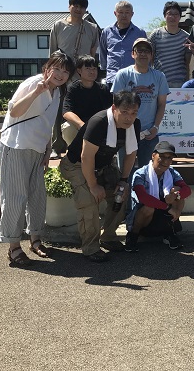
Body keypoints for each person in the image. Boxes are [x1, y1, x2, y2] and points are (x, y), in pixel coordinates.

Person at [0, 51, 75, 266]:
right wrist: (36, 92)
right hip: (17, 145)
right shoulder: (33, 83)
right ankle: (14, 247)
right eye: (56, 68)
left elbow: (46, 122)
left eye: (65, 71)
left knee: (37, 196)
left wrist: (48, 148)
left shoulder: (57, 91)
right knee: (15, 197)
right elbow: (14, 111)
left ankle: (36, 239)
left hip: (38, 148)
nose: (60, 74)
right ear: (47, 68)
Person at [60, 91, 141, 262]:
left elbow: (131, 153)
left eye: (134, 113)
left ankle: (108, 237)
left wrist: (123, 180)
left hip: (104, 165)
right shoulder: (99, 122)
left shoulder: (135, 125)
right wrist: (93, 185)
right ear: (114, 108)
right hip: (76, 165)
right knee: (89, 201)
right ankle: (90, 247)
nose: (129, 118)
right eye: (124, 112)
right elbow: (86, 157)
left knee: (121, 195)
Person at [48, 0, 100, 159]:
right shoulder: (58, 25)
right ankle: (56, 146)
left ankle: (79, 145)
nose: (78, 9)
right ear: (69, 6)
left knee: (80, 110)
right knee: (58, 109)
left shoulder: (92, 28)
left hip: (81, 77)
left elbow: (93, 53)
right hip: (61, 76)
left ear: (85, 9)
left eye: (82, 7)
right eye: (75, 6)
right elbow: (53, 53)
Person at [111, 38, 169, 167]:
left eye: (147, 51)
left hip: (149, 133)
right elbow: (116, 105)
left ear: (151, 55)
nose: (143, 54)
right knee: (124, 170)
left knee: (148, 171)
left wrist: (155, 127)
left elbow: (162, 104)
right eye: (139, 50)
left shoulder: (159, 76)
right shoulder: (122, 75)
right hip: (125, 131)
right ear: (133, 54)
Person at [125, 141, 191, 251]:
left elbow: (187, 190)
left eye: (169, 158)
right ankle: (133, 236)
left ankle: (170, 233)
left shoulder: (172, 173)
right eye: (162, 156)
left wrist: (176, 195)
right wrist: (168, 208)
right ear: (153, 156)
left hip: (164, 216)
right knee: (149, 207)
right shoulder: (140, 174)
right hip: (144, 220)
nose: (165, 161)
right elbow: (143, 197)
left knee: (177, 191)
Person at [61, 55, 113, 145]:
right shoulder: (73, 88)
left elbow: (111, 110)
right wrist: (82, 125)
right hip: (79, 125)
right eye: (88, 68)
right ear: (79, 70)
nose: (92, 72)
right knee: (68, 127)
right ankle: (73, 151)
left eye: (94, 69)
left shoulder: (103, 89)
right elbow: (66, 112)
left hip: (98, 125)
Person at [98, 0, 147, 89]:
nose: (124, 15)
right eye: (120, 12)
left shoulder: (140, 33)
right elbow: (103, 52)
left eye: (127, 12)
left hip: (134, 78)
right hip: (113, 78)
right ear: (115, 13)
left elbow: (145, 54)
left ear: (132, 14)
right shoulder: (107, 31)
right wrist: (104, 69)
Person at [149, 1, 191, 88]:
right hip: (159, 81)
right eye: (170, 14)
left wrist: (187, 80)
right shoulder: (155, 34)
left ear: (180, 17)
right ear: (164, 16)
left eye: (176, 14)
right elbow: (150, 57)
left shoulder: (186, 37)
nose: (173, 17)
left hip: (179, 82)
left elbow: (187, 62)